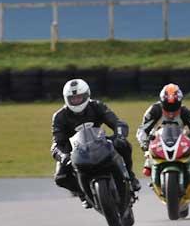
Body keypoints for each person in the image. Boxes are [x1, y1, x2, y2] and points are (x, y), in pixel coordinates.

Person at [51, 79, 141, 208]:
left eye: (79, 97)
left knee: (124, 145)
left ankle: (130, 177)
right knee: (60, 177)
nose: (76, 101)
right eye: (73, 98)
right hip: (75, 151)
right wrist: (63, 156)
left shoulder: (97, 106)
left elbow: (117, 123)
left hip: (99, 143)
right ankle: (83, 194)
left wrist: (120, 135)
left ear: (87, 95)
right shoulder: (59, 116)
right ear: (66, 99)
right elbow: (56, 144)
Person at [136, 83, 190, 195]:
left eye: (175, 106)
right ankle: (154, 177)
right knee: (146, 169)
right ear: (162, 102)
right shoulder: (154, 110)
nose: (171, 111)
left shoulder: (185, 111)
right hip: (157, 140)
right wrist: (144, 141)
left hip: (180, 139)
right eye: (167, 106)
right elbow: (142, 129)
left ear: (180, 103)